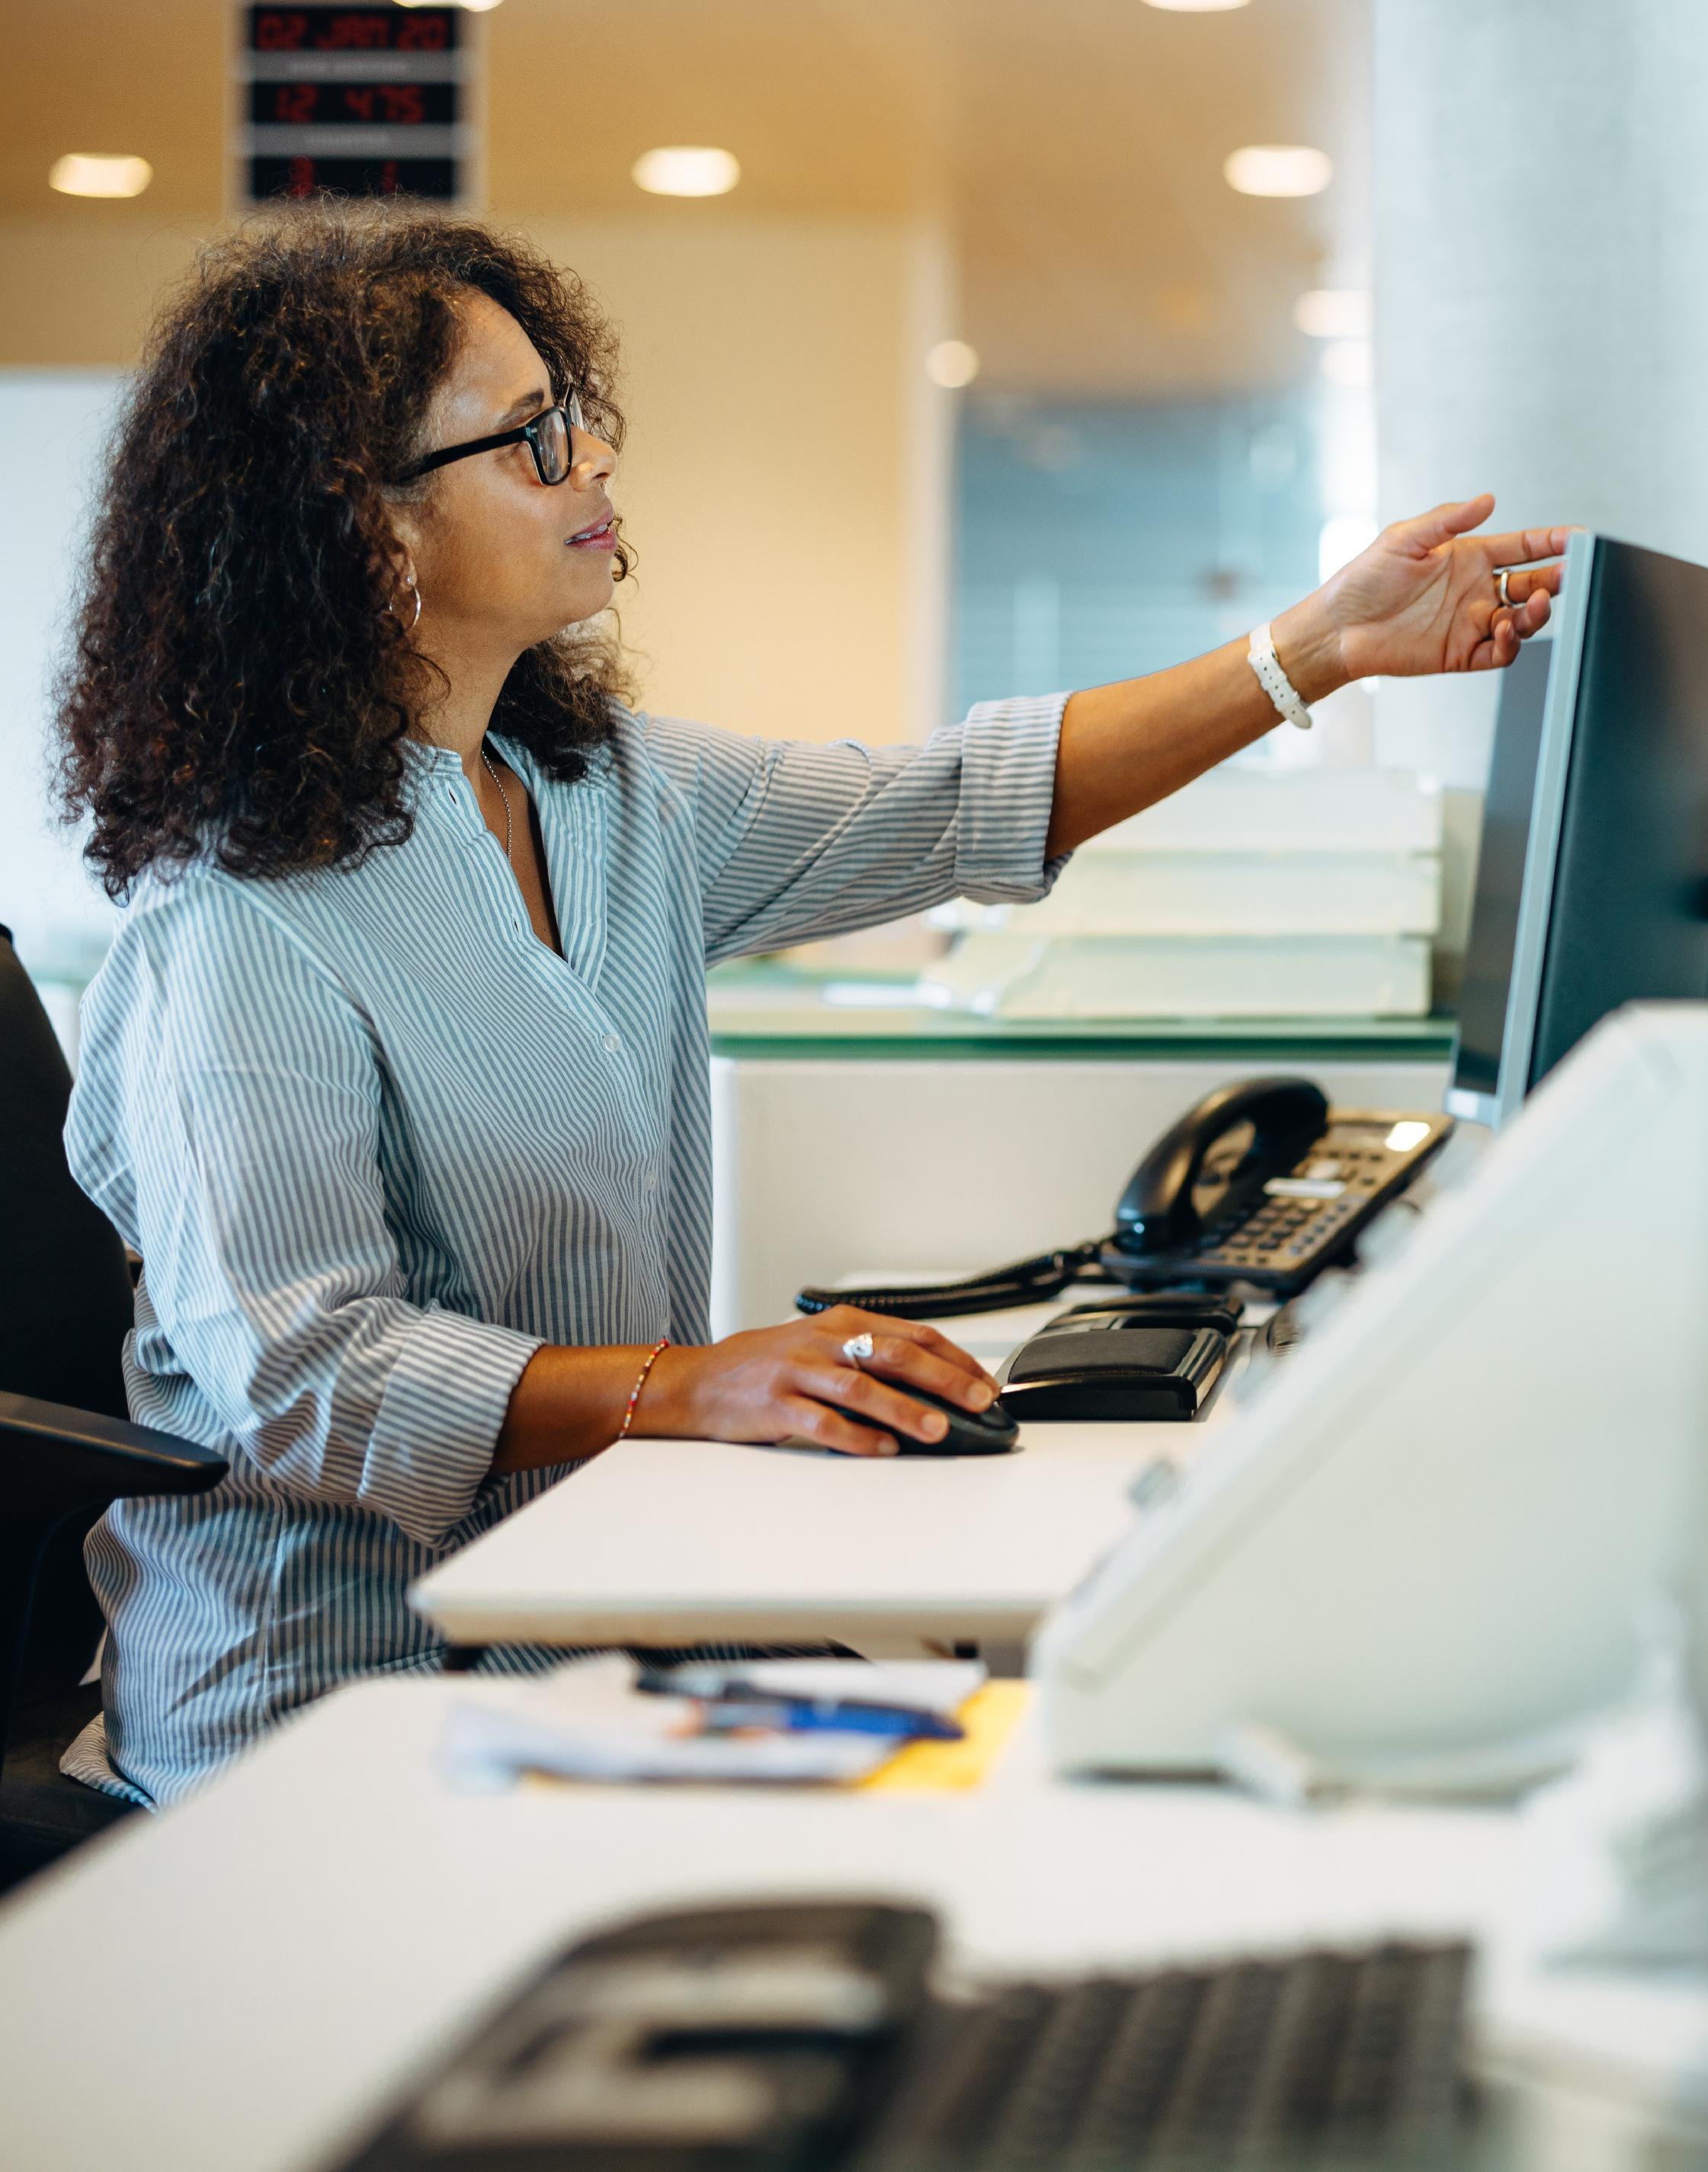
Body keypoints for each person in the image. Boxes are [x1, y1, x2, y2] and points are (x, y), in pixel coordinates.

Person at [52, 207, 1566, 1804]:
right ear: (367, 530)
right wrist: (693, 1384)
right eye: (531, 440)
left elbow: (964, 797)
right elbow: (310, 1378)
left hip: (602, 1615)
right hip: (331, 1706)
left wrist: (1318, 648)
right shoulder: (233, 918)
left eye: (579, 415)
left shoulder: (603, 792)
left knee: (1061, 1750)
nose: (594, 468)